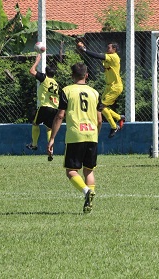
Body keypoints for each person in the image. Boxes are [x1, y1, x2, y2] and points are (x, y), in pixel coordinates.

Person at [47, 62, 102, 214]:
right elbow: (99, 120)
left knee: (71, 171)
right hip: (92, 135)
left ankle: (86, 192)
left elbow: (60, 115)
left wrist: (52, 139)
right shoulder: (95, 93)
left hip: (75, 135)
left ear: (72, 76)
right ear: (87, 75)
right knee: (89, 171)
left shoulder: (67, 91)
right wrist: (96, 133)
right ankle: (90, 203)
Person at [77, 41, 125, 138]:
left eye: (109, 48)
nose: (107, 49)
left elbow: (98, 56)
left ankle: (114, 126)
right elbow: (97, 55)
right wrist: (84, 49)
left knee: (101, 107)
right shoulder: (108, 56)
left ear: (114, 49)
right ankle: (119, 117)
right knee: (100, 106)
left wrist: (85, 50)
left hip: (115, 87)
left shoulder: (114, 57)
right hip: (109, 86)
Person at [26, 54, 59, 161]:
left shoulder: (45, 78)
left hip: (45, 106)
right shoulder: (56, 83)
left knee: (35, 124)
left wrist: (37, 61)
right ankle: (50, 151)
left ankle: (34, 144)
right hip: (55, 108)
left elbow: (31, 71)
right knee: (49, 128)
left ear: (46, 72)